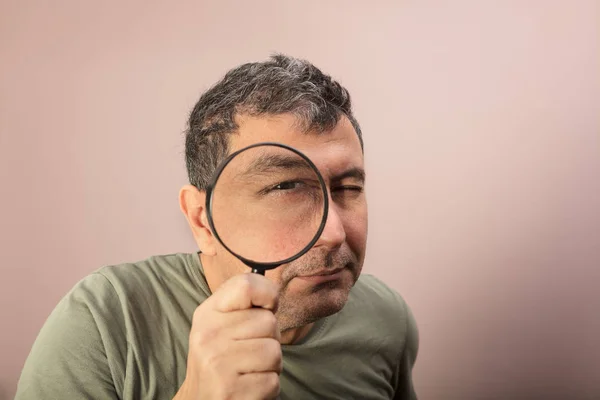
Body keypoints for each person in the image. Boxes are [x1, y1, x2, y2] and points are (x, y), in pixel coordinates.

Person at [15, 54, 419, 400]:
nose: (334, 233)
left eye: (348, 187)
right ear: (201, 220)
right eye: (287, 187)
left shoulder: (387, 319)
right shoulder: (103, 321)